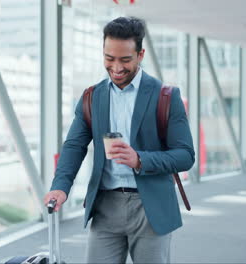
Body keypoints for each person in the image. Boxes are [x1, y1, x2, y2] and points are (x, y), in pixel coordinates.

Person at [43, 17, 194, 263]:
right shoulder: (92, 97)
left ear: (140, 54)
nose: (116, 67)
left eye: (125, 59)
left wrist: (140, 160)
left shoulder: (166, 96)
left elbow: (185, 155)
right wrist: (60, 186)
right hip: (105, 207)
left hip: (151, 208)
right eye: (109, 58)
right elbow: (74, 146)